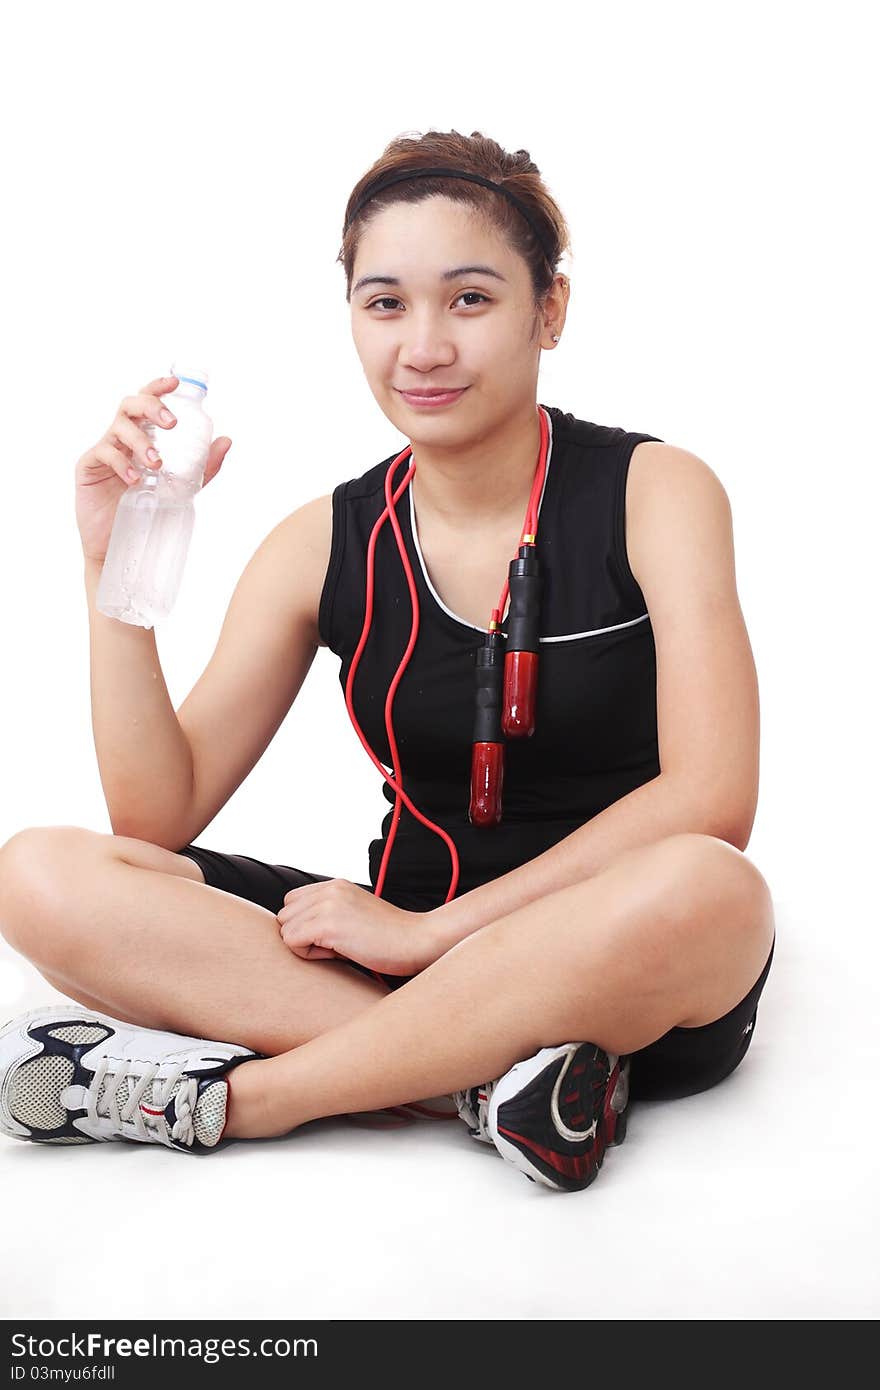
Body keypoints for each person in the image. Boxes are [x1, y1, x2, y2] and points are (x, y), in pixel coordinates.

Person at [0, 129, 775, 1193]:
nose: (422, 347)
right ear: (353, 319)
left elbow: (712, 797)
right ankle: (505, 1087)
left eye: (469, 299)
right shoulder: (320, 541)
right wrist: (113, 568)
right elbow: (155, 816)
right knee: (40, 873)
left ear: (548, 310)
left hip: (615, 957)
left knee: (712, 887)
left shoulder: (658, 490)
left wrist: (429, 936)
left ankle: (255, 1099)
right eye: (384, 303)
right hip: (387, 950)